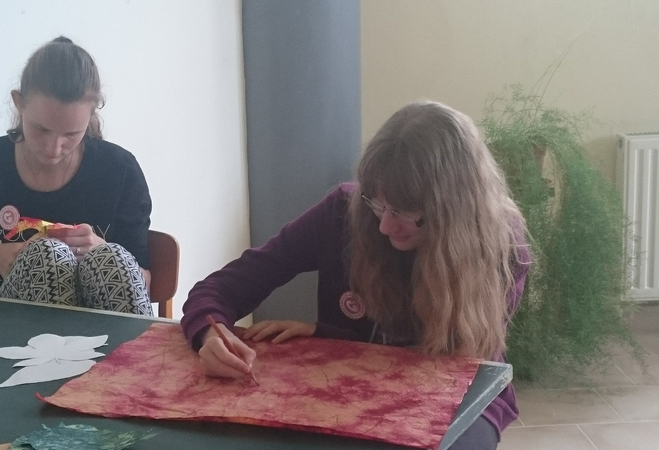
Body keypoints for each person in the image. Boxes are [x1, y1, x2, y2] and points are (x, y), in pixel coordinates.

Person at [180, 101, 531, 449]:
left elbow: (450, 363)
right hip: (349, 386)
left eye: (403, 212)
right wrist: (210, 336)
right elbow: (221, 288)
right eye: (378, 204)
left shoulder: (502, 248)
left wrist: (332, 336)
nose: (384, 225)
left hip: (460, 390)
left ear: (452, 210)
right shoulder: (342, 212)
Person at [0, 36, 153, 316]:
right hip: (4, 331)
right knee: (47, 257)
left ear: (91, 115)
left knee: (111, 259)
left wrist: (99, 248)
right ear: (19, 103)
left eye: (71, 134)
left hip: (105, 328)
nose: (54, 149)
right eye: (41, 129)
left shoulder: (119, 169)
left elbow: (145, 284)